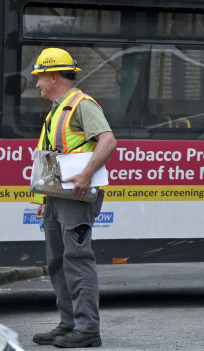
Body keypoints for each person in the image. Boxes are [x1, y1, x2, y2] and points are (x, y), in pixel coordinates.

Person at [30, 48, 118, 349]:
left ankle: (87, 330)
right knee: (58, 261)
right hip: (58, 198)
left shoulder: (81, 105)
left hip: (76, 196)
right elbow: (52, 157)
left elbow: (108, 140)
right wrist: (44, 199)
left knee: (78, 260)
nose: (37, 84)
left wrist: (85, 174)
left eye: (40, 77)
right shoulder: (58, 108)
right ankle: (68, 325)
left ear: (54, 76)